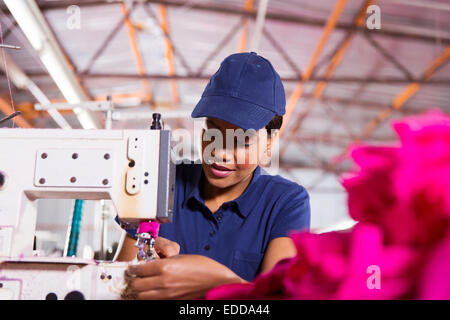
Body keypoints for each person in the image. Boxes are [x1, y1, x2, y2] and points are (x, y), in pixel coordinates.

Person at [116, 52, 311, 299]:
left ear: (270, 142)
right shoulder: (160, 180)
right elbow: (119, 288)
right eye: (213, 131)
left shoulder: (285, 202)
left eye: (243, 139)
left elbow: (278, 297)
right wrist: (139, 267)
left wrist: (219, 282)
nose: (220, 152)